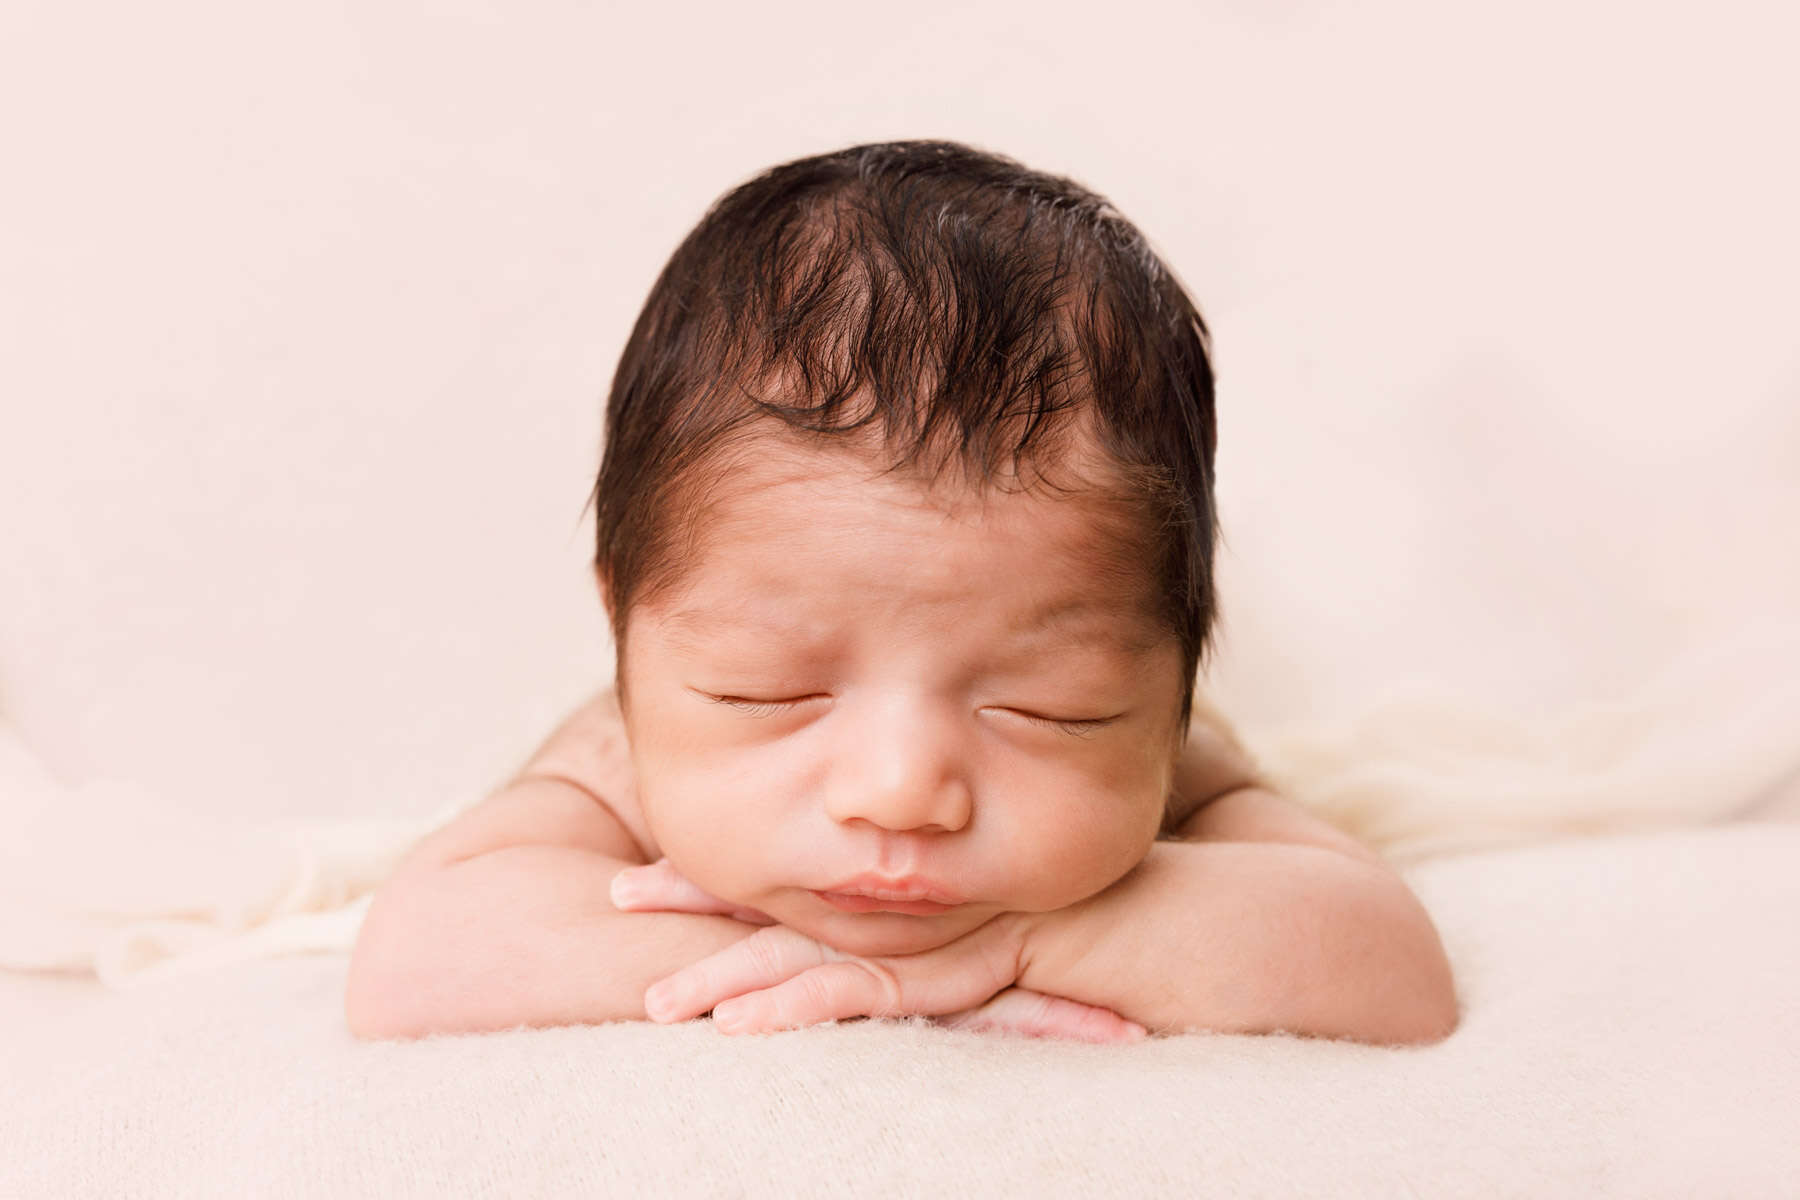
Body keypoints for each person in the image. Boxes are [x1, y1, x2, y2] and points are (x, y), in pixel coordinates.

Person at [345, 140, 1457, 1046]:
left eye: (1047, 708)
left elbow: (1388, 964)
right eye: (766, 691)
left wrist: (1011, 949)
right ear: (627, 641)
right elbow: (416, 961)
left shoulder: (1178, 764)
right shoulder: (611, 767)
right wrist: (801, 964)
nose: (900, 792)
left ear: (1174, 682)